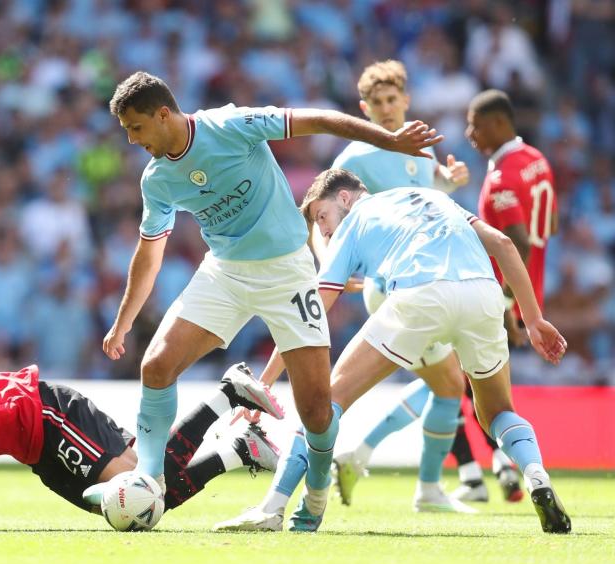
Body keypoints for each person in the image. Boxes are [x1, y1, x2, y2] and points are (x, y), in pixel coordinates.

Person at [83, 71, 443, 515]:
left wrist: (388, 140)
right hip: (225, 274)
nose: (133, 141)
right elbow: (150, 250)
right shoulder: (156, 180)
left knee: (315, 410)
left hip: (287, 272)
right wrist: (124, 322)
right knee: (156, 366)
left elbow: (321, 120)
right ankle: (149, 479)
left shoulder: (231, 126)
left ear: (162, 114)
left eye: (136, 128)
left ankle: (314, 496)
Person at [220, 169, 570, 534]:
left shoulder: (353, 223)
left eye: (321, 217)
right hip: (483, 295)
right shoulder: (435, 198)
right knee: (497, 411)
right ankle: (536, 476)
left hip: (420, 295)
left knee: (327, 400)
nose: (323, 231)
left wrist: (264, 381)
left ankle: (275, 507)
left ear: (344, 198)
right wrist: (532, 319)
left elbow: (313, 312)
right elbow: (504, 244)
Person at [235, 59, 475, 516]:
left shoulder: (420, 153)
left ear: (406, 100)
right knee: (344, 395)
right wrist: (333, 268)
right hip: (392, 288)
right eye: (377, 103)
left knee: (448, 387)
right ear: (365, 108)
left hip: (419, 284)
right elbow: (318, 213)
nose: (386, 109)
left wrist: (451, 179)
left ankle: (413, 482)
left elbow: (427, 190)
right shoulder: (355, 157)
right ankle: (300, 492)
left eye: (393, 100)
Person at [0, 342, 281, 531]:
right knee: (138, 507)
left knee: (142, 491)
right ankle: (238, 450)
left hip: (46, 415)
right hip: (37, 451)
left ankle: (227, 396)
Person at [447, 89, 559, 502]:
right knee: (460, 381)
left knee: (462, 382)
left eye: (475, 124)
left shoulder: (500, 179)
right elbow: (550, 225)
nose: (469, 134)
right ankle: (497, 469)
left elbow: (518, 243)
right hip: (524, 294)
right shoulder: (537, 161)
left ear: (497, 123)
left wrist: (512, 306)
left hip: (494, 300)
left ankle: (504, 471)